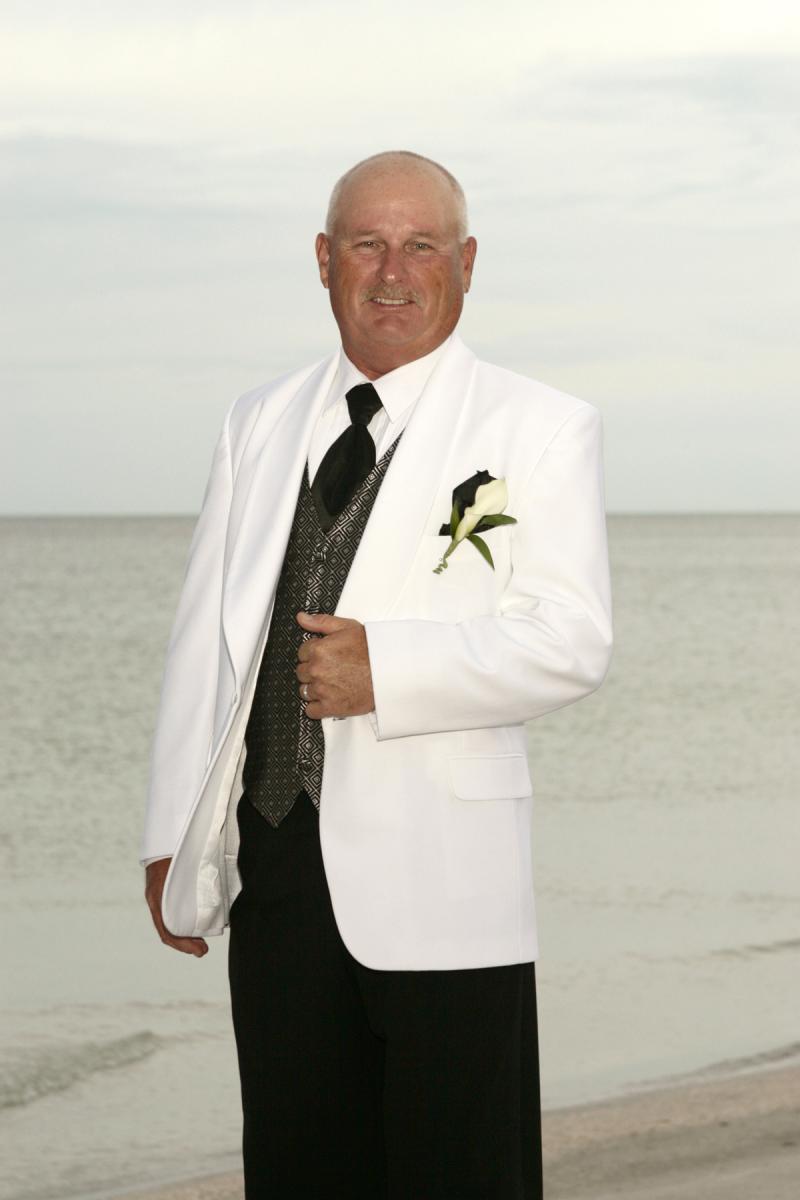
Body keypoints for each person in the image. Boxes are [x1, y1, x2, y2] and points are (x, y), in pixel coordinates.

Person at [141, 150, 613, 1199]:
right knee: (297, 1169)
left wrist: (387, 670)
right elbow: (203, 637)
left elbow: (572, 637)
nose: (392, 271)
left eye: (420, 246)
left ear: (466, 263)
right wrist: (170, 831)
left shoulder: (538, 426)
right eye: (367, 244)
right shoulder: (258, 420)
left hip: (446, 878)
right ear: (324, 260)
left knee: (461, 1174)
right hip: (274, 870)